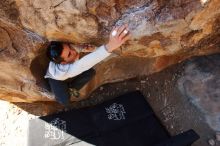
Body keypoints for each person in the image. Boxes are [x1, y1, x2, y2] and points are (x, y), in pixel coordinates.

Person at [45, 25, 131, 106]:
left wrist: (87, 48)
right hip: (54, 78)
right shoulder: (63, 72)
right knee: (64, 101)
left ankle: (70, 86)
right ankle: (66, 88)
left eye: (70, 48)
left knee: (90, 72)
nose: (73, 51)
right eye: (69, 55)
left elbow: (76, 49)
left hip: (64, 67)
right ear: (64, 63)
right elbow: (83, 64)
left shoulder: (64, 52)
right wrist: (110, 46)